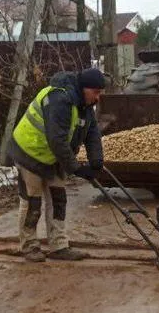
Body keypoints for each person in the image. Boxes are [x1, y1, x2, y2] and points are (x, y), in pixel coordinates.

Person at [7, 67, 106, 262]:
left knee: (58, 199)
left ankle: (59, 246)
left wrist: (96, 161)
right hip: (30, 153)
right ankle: (29, 246)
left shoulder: (85, 105)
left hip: (54, 157)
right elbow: (57, 140)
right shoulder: (60, 99)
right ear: (84, 88)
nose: (98, 98)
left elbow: (92, 132)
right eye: (96, 92)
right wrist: (76, 168)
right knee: (32, 201)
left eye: (100, 93)